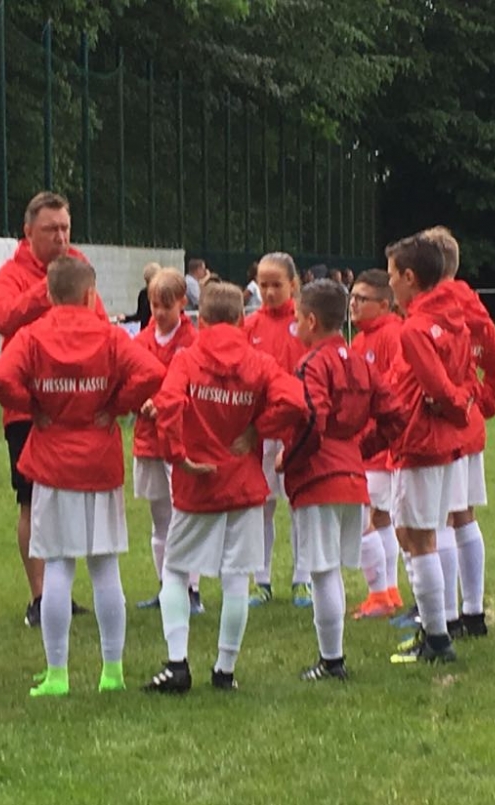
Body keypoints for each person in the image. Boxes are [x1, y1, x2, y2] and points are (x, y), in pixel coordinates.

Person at [0, 256, 165, 697]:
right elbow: (153, 372)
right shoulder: (109, 335)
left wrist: (33, 406)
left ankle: (58, 674)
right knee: (105, 566)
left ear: (48, 295)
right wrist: (116, 405)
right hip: (99, 459)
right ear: (90, 295)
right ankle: (112, 670)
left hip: (52, 461)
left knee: (58, 566)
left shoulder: (32, 336)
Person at [143, 282, 306, 694]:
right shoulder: (260, 362)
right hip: (244, 484)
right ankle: (225, 670)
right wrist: (258, 430)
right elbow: (295, 401)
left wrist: (178, 455)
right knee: (236, 579)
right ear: (241, 318)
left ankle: (177, 664)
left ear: (201, 319)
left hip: (198, 482)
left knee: (176, 571)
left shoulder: (187, 359)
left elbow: (166, 405)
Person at [0, 191, 106, 627]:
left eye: (65, 228)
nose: (60, 237)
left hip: (76, 405)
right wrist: (49, 288)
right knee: (32, 500)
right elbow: (3, 317)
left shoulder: (79, 264)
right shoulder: (12, 273)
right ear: (28, 232)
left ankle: (62, 591)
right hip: (29, 410)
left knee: (73, 501)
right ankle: (40, 596)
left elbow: (100, 324)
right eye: (50, 229)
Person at [282, 279, 405, 681]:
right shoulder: (359, 360)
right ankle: (332, 656)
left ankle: (331, 660)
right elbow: (395, 415)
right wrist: (361, 448)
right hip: (352, 475)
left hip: (319, 476)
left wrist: (289, 460)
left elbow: (312, 420)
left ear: (311, 321)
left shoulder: (312, 364)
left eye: (297, 317)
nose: (294, 325)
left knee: (322, 571)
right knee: (330, 568)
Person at [425, 226, 495, 639]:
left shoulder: (433, 311)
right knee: (463, 516)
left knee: (442, 519)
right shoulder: (474, 308)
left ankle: (445, 615)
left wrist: (469, 403)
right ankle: (473, 611)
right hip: (468, 428)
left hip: (441, 428)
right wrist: (481, 406)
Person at [386, 232, 473, 664]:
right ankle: (435, 630)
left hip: (419, 442)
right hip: (442, 442)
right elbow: (464, 377)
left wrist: (455, 406)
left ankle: (437, 638)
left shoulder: (416, 328)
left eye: (391, 275)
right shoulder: (454, 319)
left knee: (414, 537)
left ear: (409, 277)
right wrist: (461, 406)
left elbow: (437, 386)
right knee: (423, 534)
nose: (389, 284)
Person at [131, 269, 201, 613]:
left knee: (184, 514)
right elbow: (129, 379)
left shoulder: (193, 341)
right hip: (148, 438)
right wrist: (138, 401)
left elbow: (194, 387)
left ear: (183, 303)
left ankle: (191, 589)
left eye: (166, 306)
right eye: (155, 305)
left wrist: (163, 403)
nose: (159, 313)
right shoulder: (141, 340)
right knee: (160, 515)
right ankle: (165, 587)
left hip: (181, 436)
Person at [243, 252, 310, 608]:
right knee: (261, 507)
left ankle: (303, 579)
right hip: (260, 432)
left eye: (276, 285)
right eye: (263, 285)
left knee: (300, 506)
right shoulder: (249, 326)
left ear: (293, 285)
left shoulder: (305, 323)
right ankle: (261, 580)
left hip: (297, 431)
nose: (268, 292)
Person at [348, 269, 404, 618]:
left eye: (362, 299)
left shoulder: (392, 335)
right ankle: (388, 592)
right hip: (368, 443)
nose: (353, 304)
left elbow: (393, 391)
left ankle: (380, 593)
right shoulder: (360, 339)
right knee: (380, 519)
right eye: (352, 297)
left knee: (365, 519)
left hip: (377, 446)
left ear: (384, 305)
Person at [122, 261, 161, 329]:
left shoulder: (144, 294)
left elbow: (140, 315)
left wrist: (126, 318)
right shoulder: (145, 294)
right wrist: (126, 318)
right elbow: (141, 316)